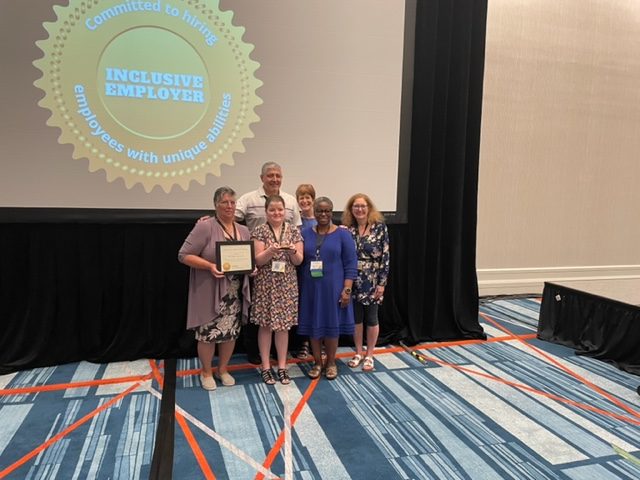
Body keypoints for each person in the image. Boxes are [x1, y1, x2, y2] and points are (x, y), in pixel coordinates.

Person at [178, 187, 251, 391]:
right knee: (208, 334)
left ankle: (223, 369)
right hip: (209, 291)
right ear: (215, 205)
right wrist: (210, 266)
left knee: (230, 333)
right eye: (224, 202)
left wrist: (250, 267)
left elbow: (247, 257)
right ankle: (206, 371)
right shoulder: (205, 227)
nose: (229, 206)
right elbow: (183, 255)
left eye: (232, 202)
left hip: (234, 293)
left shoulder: (243, 230)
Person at [235, 162, 302, 364]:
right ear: (262, 177)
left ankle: (280, 360)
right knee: (260, 320)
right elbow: (231, 218)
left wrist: (292, 251)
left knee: (282, 325)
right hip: (260, 273)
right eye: (270, 175)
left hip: (286, 279)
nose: (274, 179)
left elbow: (299, 253)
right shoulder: (248, 199)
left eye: (278, 175)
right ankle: (258, 358)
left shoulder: (291, 201)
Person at [298, 197, 357, 380]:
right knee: (313, 326)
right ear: (314, 212)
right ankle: (317, 362)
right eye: (320, 211)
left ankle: (331, 362)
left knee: (332, 327)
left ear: (332, 212)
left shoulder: (343, 235)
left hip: (334, 289)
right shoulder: (304, 233)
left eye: (327, 211)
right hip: (310, 288)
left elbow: (351, 264)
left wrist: (347, 290)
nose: (323, 214)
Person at [251, 195, 304, 384]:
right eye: (272, 210)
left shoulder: (294, 231)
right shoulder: (259, 231)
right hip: (266, 285)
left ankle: (282, 366)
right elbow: (257, 260)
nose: (276, 213)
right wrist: (270, 251)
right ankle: (266, 367)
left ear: (285, 211)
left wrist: (292, 252)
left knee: (283, 328)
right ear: (266, 212)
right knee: (265, 326)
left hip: (287, 285)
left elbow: (299, 261)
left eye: (280, 209)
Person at [342, 193, 390, 373]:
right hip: (352, 278)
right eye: (356, 206)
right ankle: (358, 352)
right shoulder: (347, 228)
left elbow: (385, 257)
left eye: (363, 206)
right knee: (356, 318)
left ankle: (370, 354)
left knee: (371, 317)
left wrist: (382, 283)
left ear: (369, 208)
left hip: (372, 279)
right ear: (351, 209)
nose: (359, 209)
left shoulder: (380, 228)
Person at [294, 183, 317, 359]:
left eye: (307, 197)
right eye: (301, 197)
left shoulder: (322, 219)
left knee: (318, 304)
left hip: (318, 270)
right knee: (303, 306)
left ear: (313, 199)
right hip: (299, 270)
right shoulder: (295, 221)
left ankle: (319, 341)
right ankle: (304, 343)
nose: (304, 200)